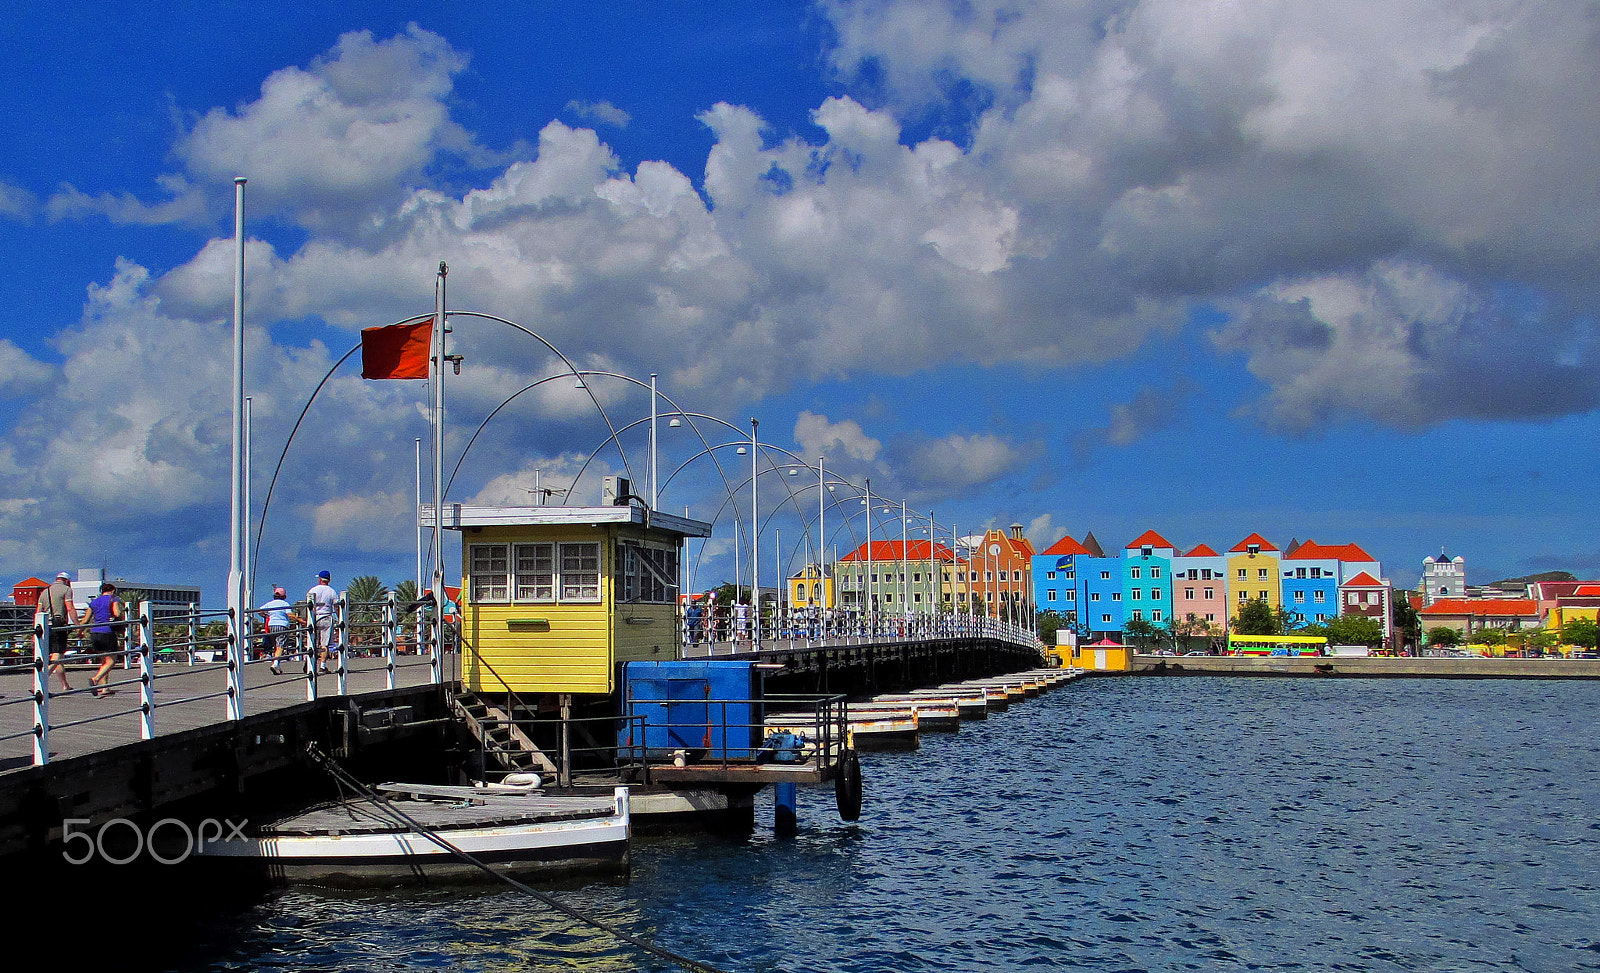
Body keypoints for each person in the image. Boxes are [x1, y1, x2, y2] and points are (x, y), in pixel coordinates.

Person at [40, 571, 78, 693]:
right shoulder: (66, 590)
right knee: (57, 654)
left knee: (59, 656)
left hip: (46, 626)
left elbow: (38, 611)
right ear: (67, 581)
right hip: (58, 625)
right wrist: (78, 625)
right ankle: (40, 680)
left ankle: (65, 685)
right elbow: (70, 607)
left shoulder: (45, 591)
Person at [85, 581, 124, 697]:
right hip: (107, 632)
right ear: (112, 591)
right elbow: (117, 613)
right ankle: (95, 679)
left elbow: (86, 619)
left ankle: (104, 688)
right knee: (111, 661)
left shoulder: (94, 602)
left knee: (104, 661)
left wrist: (80, 630)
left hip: (95, 633)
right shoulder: (113, 599)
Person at [259, 586, 299, 675]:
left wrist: (266, 615)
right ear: (284, 596)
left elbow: (259, 610)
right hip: (282, 625)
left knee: (276, 646)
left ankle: (277, 665)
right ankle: (275, 664)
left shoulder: (270, 604)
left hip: (271, 625)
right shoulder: (284, 604)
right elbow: (290, 615)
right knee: (280, 646)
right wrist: (300, 620)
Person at [305, 570, 339, 673]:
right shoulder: (332, 591)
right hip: (326, 617)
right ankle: (323, 666)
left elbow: (308, 605)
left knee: (312, 642)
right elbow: (336, 606)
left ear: (320, 579)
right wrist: (340, 618)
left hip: (314, 618)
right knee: (325, 643)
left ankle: (309, 663)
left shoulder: (313, 590)